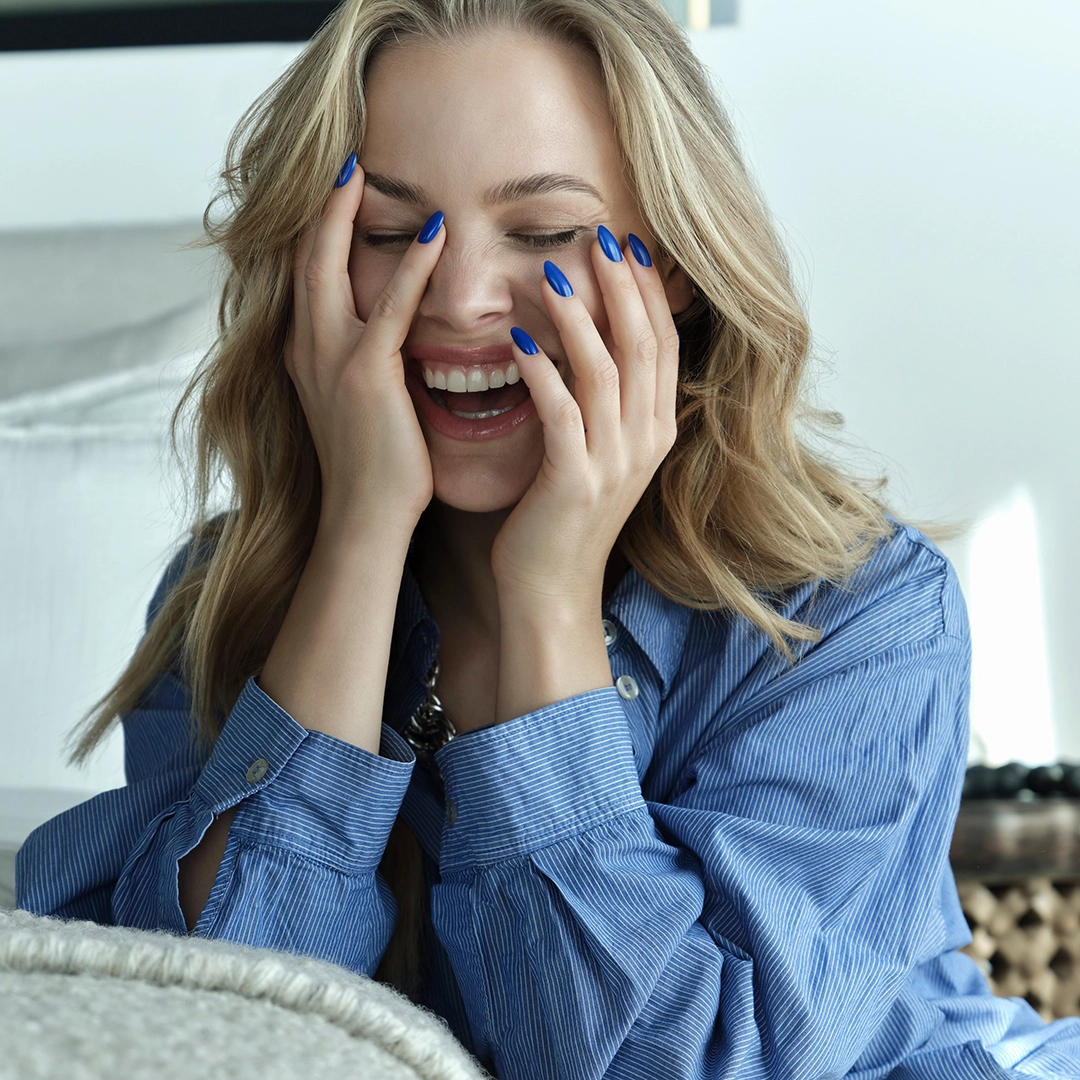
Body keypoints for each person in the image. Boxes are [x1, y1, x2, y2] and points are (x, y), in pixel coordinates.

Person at [15, 0, 1080, 1076]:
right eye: (389, 234)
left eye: (543, 234)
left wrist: (548, 601)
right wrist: (361, 533)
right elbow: (215, 1034)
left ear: (674, 266)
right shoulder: (225, 596)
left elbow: (682, 1065)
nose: (462, 300)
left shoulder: (858, 614)